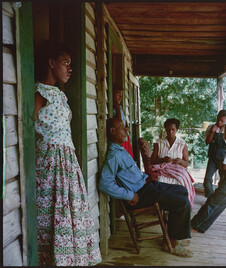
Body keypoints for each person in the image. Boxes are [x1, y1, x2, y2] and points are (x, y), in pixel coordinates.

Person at [34, 41, 102, 266]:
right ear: (51, 63)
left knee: (71, 215)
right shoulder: (39, 92)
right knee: (52, 215)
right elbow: (29, 128)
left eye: (71, 64)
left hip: (68, 165)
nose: (70, 69)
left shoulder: (61, 95)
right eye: (66, 63)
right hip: (50, 164)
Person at [99, 117, 193, 257]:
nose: (126, 130)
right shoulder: (114, 155)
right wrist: (130, 195)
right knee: (182, 202)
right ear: (112, 131)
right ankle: (172, 243)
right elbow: (104, 183)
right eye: (122, 128)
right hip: (140, 194)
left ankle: (173, 235)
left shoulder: (120, 149)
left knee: (182, 190)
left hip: (147, 186)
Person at [191, 121, 226, 233]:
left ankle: (194, 225)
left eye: (225, 132)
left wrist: (223, 165)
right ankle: (200, 227)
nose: (223, 135)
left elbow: (225, 165)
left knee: (213, 203)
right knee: (216, 205)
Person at [150, 118, 195, 209]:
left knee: (181, 180)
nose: (170, 132)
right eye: (168, 129)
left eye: (173, 130)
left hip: (177, 170)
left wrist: (180, 161)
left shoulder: (182, 144)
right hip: (162, 170)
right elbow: (152, 161)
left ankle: (178, 206)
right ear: (165, 130)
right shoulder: (159, 143)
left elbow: (186, 163)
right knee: (160, 179)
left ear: (176, 130)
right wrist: (163, 159)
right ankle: (163, 206)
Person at [203, 110, 226, 198]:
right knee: (207, 179)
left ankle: (219, 199)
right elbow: (207, 142)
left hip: (223, 159)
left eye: (222, 121)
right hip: (213, 158)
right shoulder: (211, 127)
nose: (219, 122)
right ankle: (209, 198)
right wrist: (212, 132)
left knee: (223, 180)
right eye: (218, 119)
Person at [113, 85, 133, 157]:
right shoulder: (114, 109)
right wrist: (117, 106)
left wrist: (127, 129)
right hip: (119, 139)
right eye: (118, 95)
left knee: (128, 156)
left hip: (125, 137)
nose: (121, 97)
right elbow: (119, 122)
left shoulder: (120, 108)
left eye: (121, 95)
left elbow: (126, 124)